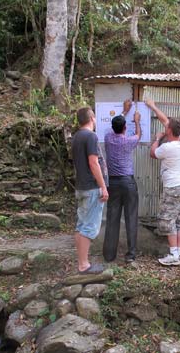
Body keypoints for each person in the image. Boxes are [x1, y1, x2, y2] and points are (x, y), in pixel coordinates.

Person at [146, 98, 180, 266]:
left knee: (167, 221)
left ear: (169, 130)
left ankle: (173, 255)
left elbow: (152, 153)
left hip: (172, 189)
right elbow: (165, 120)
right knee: (178, 220)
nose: (165, 126)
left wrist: (157, 138)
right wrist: (153, 107)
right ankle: (177, 253)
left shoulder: (167, 147)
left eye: (166, 127)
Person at [103, 99, 142, 263]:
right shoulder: (129, 141)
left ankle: (109, 255)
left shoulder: (107, 138)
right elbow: (139, 135)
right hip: (128, 183)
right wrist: (138, 121)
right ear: (125, 128)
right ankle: (131, 254)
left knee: (112, 218)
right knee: (131, 217)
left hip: (113, 184)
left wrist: (124, 112)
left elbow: (115, 125)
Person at [72, 106, 109, 274]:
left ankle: (82, 262)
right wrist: (103, 186)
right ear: (92, 118)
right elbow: (94, 163)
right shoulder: (91, 136)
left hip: (80, 186)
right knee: (88, 227)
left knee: (81, 226)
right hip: (92, 187)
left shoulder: (76, 137)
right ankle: (84, 265)